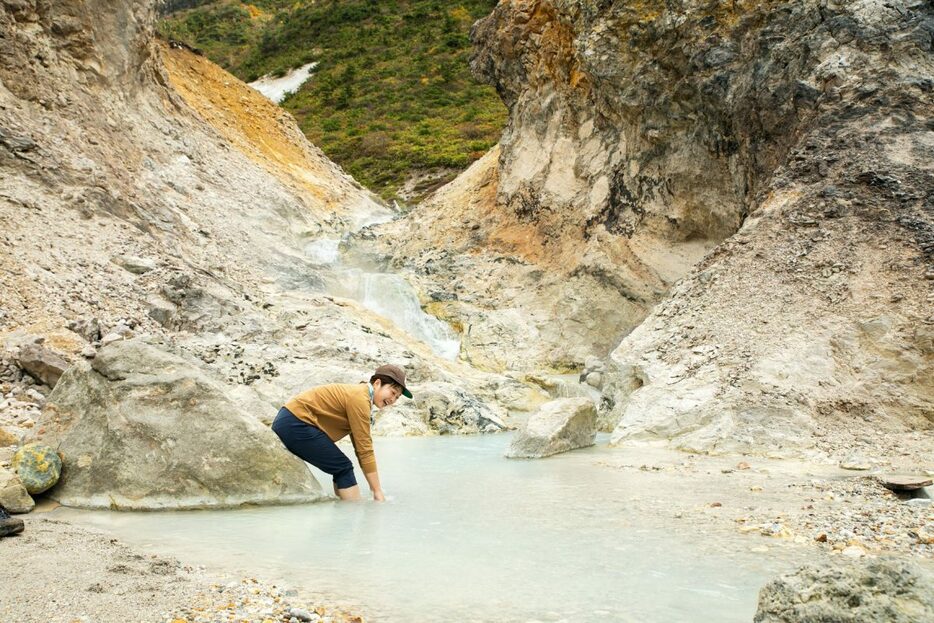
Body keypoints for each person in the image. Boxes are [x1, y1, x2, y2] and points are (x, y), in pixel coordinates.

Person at [272, 364, 412, 501]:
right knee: (343, 468)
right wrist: (377, 491)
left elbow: (359, 448)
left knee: (341, 467)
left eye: (397, 397)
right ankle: (351, 514)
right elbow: (365, 449)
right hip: (295, 423)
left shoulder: (361, 395)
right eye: (393, 392)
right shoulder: (360, 398)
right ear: (377, 383)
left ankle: (342, 512)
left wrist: (374, 489)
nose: (393, 399)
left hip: (291, 421)